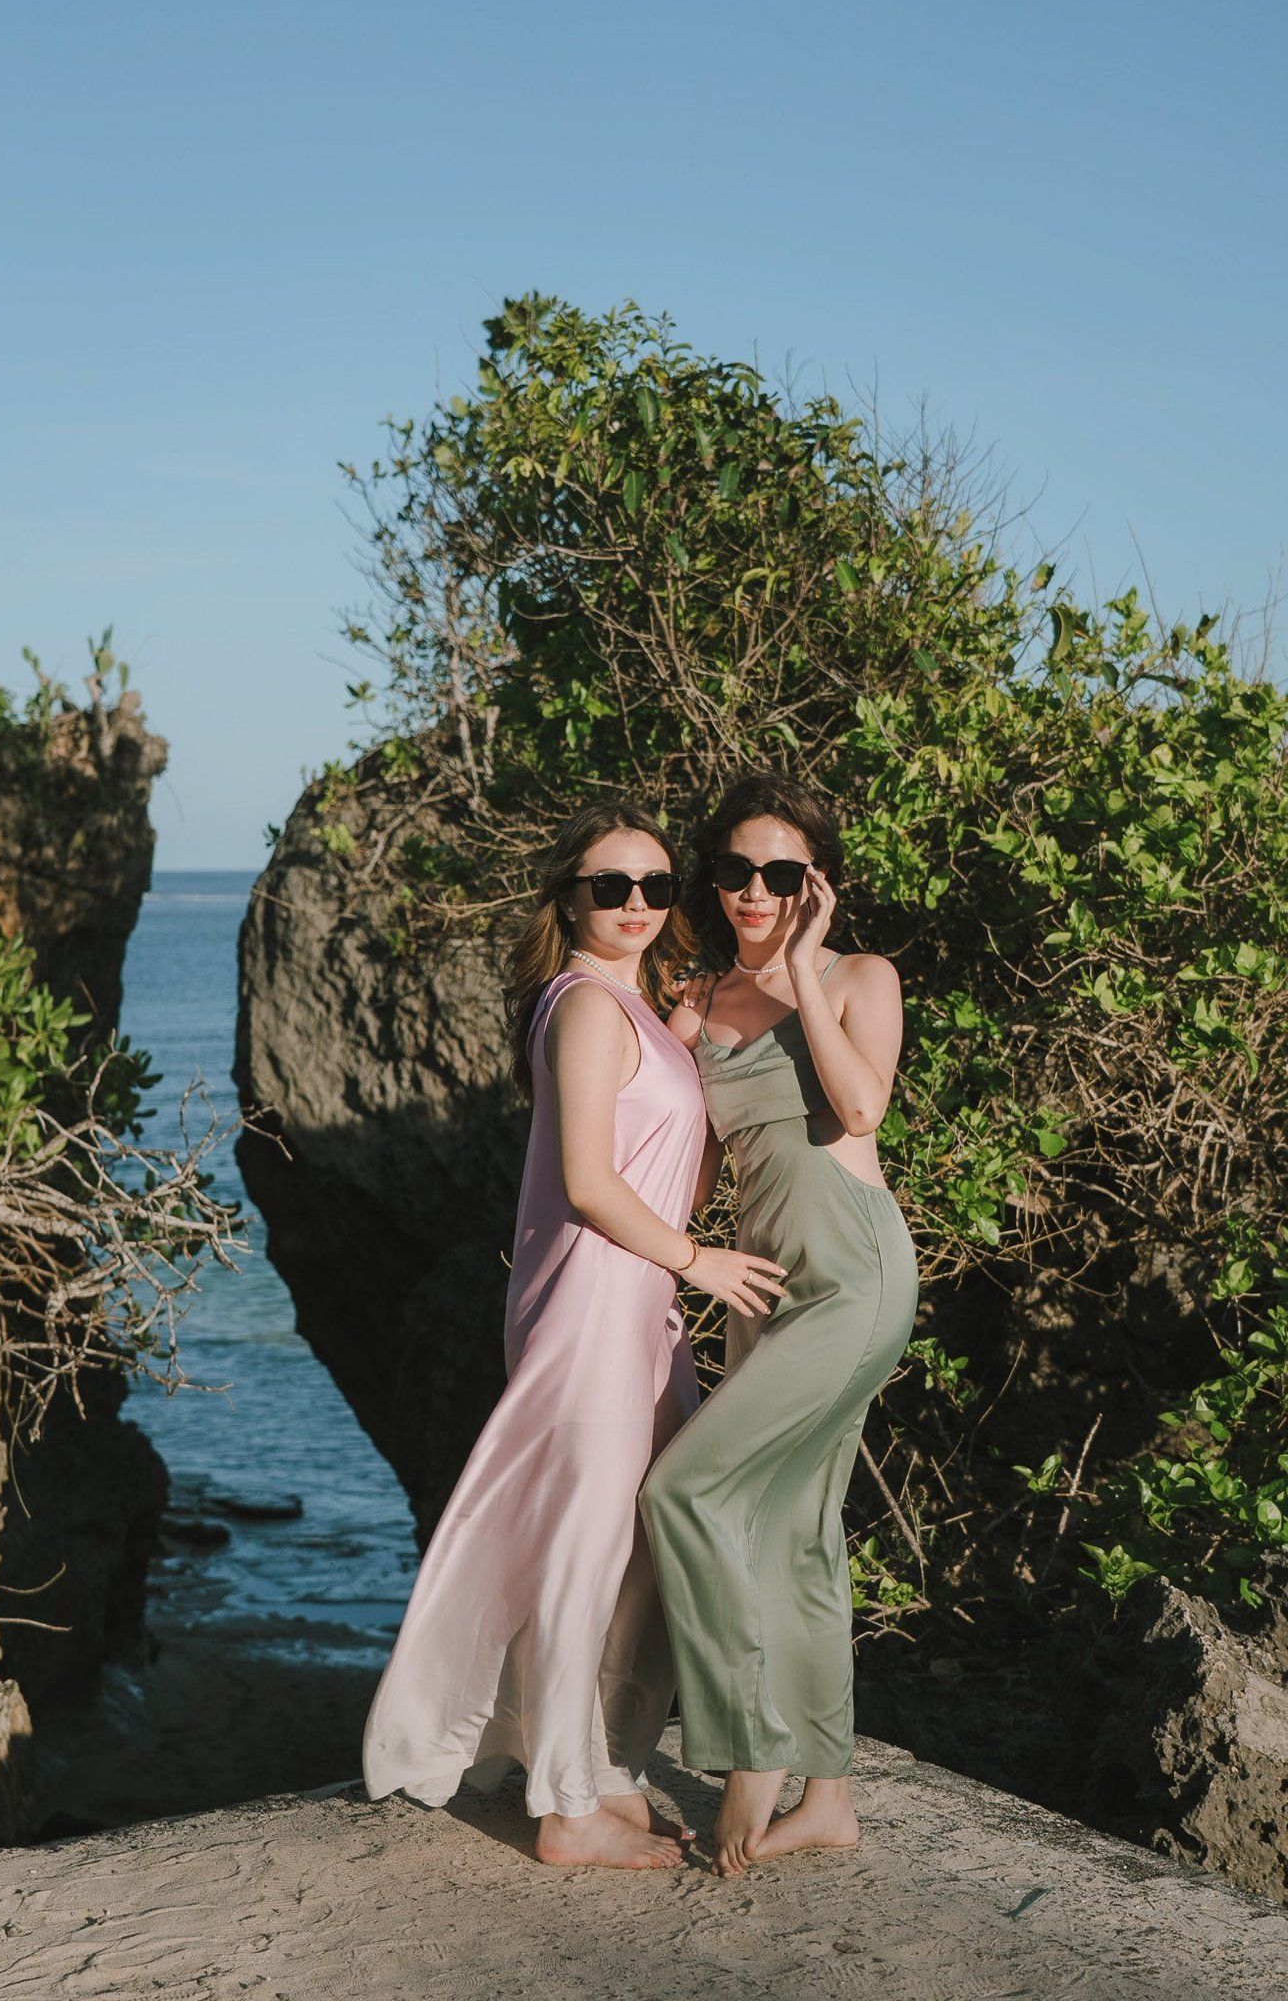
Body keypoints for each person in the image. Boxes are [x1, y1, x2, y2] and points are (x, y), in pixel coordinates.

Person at [361, 801, 785, 1869]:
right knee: (585, 1550)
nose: (638, 906)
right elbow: (593, 1184)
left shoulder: (640, 1013)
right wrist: (702, 1266)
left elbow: (673, 1180)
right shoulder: (587, 1007)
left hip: (637, 1302)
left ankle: (597, 1767)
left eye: (655, 887)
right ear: (570, 901)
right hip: (592, 1305)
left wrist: (685, 1049)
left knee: (638, 1547)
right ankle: (563, 1807)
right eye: (612, 888)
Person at [639, 771, 918, 1877]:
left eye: (780, 873)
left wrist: (802, 972)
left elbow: (860, 1110)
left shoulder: (859, 977)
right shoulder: (694, 1005)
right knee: (798, 1530)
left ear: (817, 882)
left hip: (852, 1276)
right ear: (711, 883)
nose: (754, 890)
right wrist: (655, 1270)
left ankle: (751, 1747)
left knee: (687, 1490)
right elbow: (682, 1172)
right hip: (760, 1283)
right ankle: (830, 1796)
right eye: (734, 872)